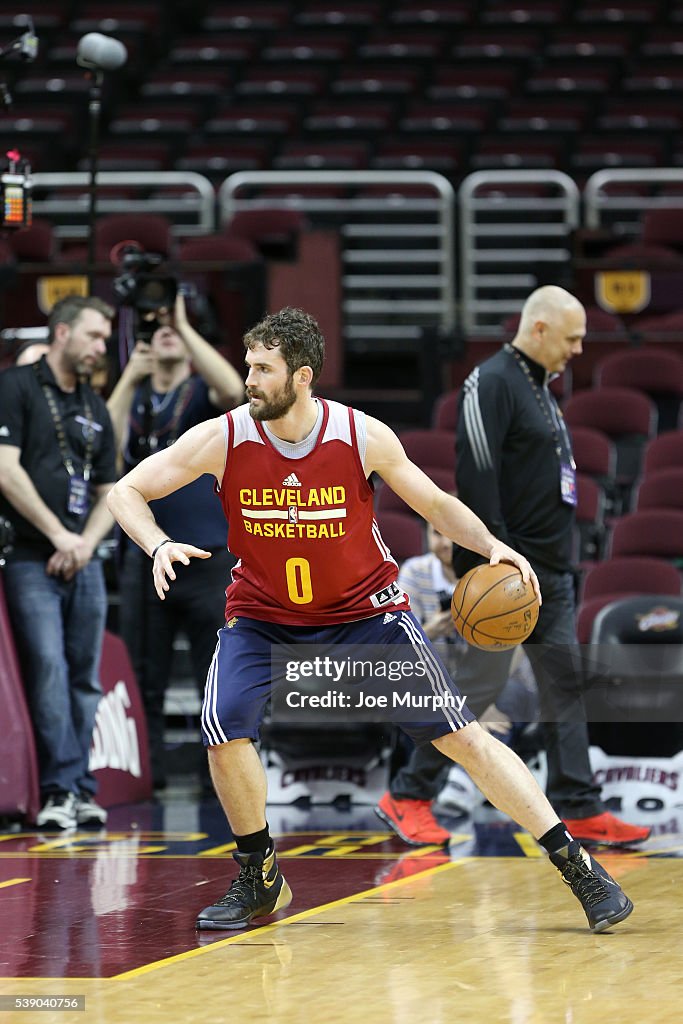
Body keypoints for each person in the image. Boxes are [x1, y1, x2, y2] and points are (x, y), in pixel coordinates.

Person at [107, 306, 634, 935]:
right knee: (223, 725)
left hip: (366, 614)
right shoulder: (223, 437)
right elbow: (125, 491)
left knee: (461, 735)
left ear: (301, 377)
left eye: (263, 369)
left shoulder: (359, 435)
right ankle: (259, 875)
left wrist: (492, 545)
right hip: (263, 615)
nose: (249, 379)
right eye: (249, 365)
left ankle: (577, 866)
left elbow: (434, 502)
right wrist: (158, 543)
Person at [377, 285, 651, 849]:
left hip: (551, 570)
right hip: (511, 573)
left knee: (564, 688)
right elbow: (475, 475)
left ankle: (579, 804)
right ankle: (407, 795)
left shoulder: (539, 386)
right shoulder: (493, 380)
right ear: (541, 328)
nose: (579, 349)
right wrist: (486, 564)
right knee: (477, 688)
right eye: (572, 338)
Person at [106, 293, 243, 788]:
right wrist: (129, 376)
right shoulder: (137, 395)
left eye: (173, 326)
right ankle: (147, 780)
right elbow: (105, 440)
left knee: (219, 674)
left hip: (209, 555)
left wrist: (184, 328)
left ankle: (223, 781)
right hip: (146, 555)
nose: (162, 330)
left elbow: (234, 391)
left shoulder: (201, 393)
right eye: (154, 326)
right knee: (145, 675)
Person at [0, 295, 117, 829]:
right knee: (48, 668)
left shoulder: (95, 407)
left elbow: (111, 490)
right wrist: (58, 536)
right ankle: (58, 790)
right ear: (63, 334)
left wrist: (85, 544)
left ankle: (82, 788)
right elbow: (5, 470)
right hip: (29, 555)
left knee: (85, 679)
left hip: (83, 560)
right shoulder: (16, 387)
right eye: (94, 336)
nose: (102, 347)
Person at [381, 522, 539, 841]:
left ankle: (462, 785)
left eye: (452, 535)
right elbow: (393, 646)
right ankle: (456, 783)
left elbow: (515, 648)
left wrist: (482, 704)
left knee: (510, 699)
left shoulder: (495, 577)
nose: (444, 543)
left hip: (488, 689)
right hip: (431, 681)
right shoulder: (414, 572)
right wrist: (431, 629)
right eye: (436, 534)